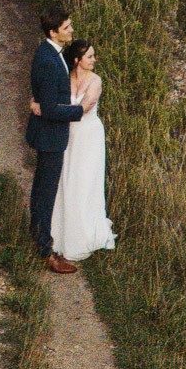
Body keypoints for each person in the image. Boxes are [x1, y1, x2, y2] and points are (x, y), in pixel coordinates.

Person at [25, 4, 84, 274]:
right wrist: (80, 110)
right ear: (53, 32)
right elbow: (49, 110)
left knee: (42, 189)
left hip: (48, 134)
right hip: (50, 136)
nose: (71, 30)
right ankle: (45, 251)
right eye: (67, 28)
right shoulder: (48, 60)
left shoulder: (51, 52)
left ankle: (37, 236)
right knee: (46, 192)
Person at [49, 40, 115, 263]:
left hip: (88, 137)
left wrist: (53, 112)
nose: (94, 60)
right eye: (89, 57)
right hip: (68, 137)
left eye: (93, 56)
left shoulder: (95, 81)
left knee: (84, 182)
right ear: (77, 60)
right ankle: (60, 231)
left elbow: (86, 106)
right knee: (65, 180)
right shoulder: (65, 79)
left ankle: (83, 233)